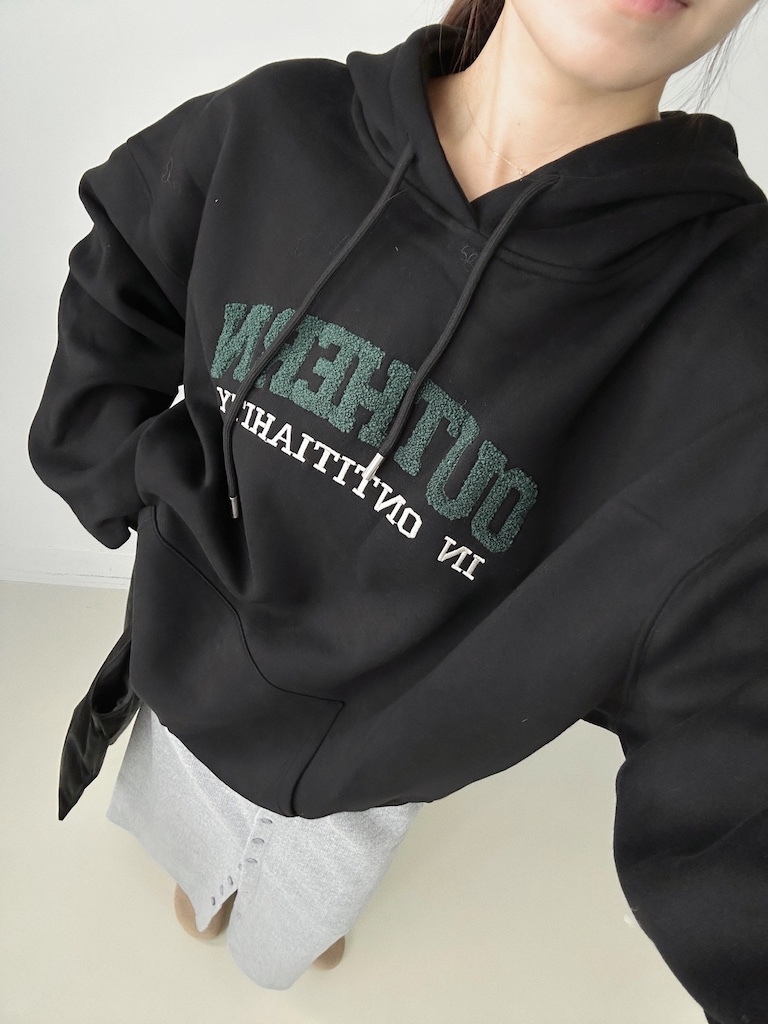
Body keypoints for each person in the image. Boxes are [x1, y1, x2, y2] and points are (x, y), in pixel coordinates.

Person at [27, 0, 768, 1017]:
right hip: (188, 687)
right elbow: (126, 264)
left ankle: (288, 926)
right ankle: (205, 887)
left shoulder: (739, 336)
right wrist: (115, 478)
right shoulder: (272, 128)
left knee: (290, 938)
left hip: (370, 789)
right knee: (190, 864)